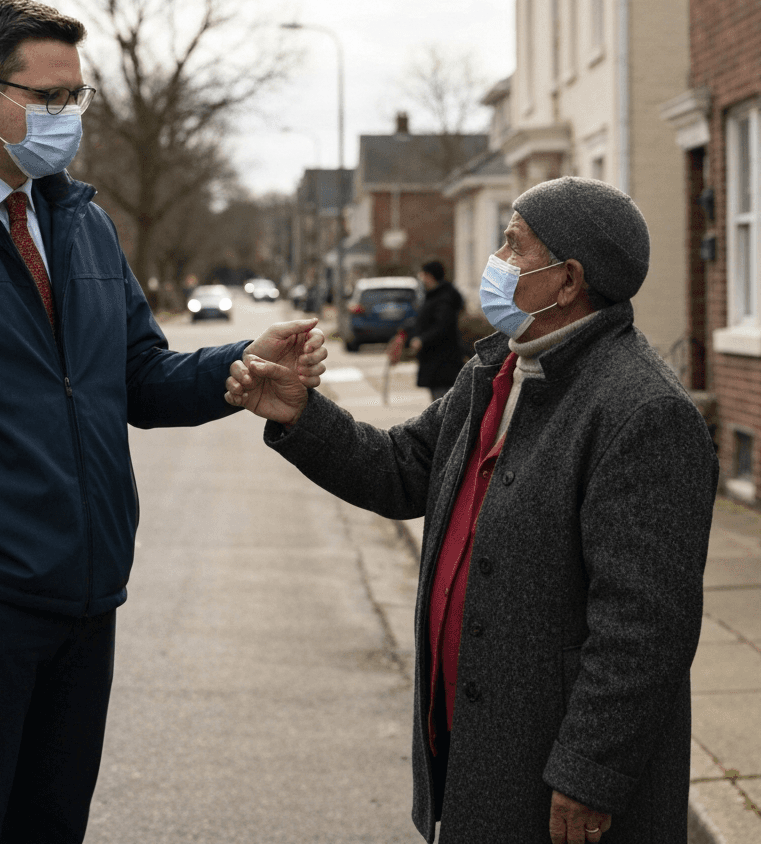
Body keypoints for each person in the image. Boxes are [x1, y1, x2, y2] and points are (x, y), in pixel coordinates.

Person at [0, 0, 327, 844]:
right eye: (49, 98)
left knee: (52, 827)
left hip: (85, 599)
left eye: (77, 97)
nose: (68, 116)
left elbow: (136, 378)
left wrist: (239, 364)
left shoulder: (81, 224)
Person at [225, 177, 718, 844]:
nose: (498, 261)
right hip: (476, 747)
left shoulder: (642, 411)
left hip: (555, 778)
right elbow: (402, 470)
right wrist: (300, 414)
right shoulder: (498, 373)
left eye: (514, 247)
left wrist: (590, 773)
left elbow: (644, 625)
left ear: (568, 280)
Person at [405, 260, 465, 400]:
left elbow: (442, 326)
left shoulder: (443, 298)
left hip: (443, 362)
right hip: (435, 360)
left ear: (430, 276)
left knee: (442, 402)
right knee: (438, 400)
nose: (421, 278)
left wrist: (422, 340)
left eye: (423, 274)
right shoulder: (434, 295)